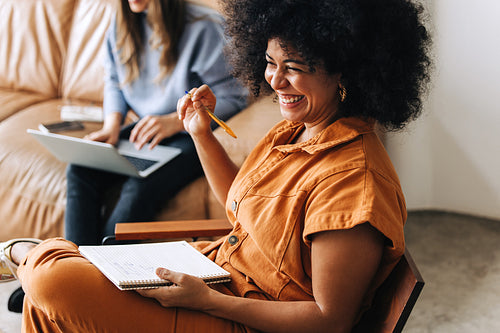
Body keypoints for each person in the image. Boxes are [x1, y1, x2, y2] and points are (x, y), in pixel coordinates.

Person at [0, 0, 431, 331]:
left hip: (238, 318)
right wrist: (200, 133)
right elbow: (241, 207)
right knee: (50, 301)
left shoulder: (353, 180)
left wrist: (208, 301)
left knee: (53, 282)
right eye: (269, 63)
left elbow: (329, 321)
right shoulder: (297, 131)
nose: (275, 82)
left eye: (294, 68)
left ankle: (20, 251)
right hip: (214, 275)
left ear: (348, 75)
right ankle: (44, 257)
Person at [64, 0, 248, 246]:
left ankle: (104, 271)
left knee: (140, 184)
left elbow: (234, 97)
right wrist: (112, 126)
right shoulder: (121, 24)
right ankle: (73, 266)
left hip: (188, 134)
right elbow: (114, 80)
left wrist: (175, 121)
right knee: (80, 167)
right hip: (147, 129)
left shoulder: (203, 27)